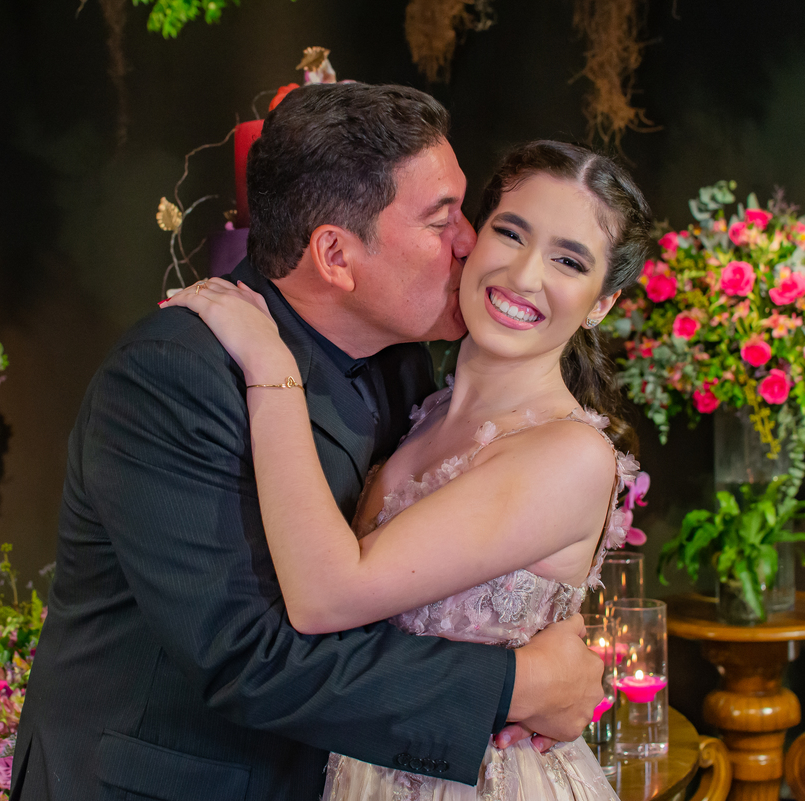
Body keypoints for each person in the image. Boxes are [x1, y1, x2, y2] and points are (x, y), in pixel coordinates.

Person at [11, 83, 606, 801]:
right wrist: (518, 684)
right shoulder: (175, 377)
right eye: (441, 219)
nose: (469, 242)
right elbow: (249, 657)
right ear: (335, 255)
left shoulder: (402, 359)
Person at [162, 138, 653, 798]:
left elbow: (327, 596)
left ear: (601, 302)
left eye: (568, 260)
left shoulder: (570, 455)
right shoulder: (421, 404)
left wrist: (271, 366)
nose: (523, 274)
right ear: (471, 238)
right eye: (511, 233)